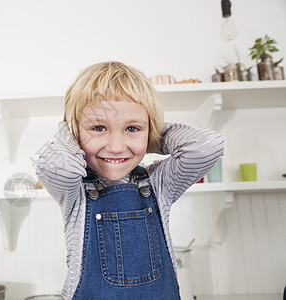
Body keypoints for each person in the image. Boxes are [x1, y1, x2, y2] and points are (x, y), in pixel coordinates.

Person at [36, 61, 224, 299]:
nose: (116, 147)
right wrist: (69, 130)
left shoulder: (158, 184)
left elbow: (208, 146)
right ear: (75, 133)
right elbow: (54, 167)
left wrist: (151, 134)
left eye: (132, 128)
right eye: (99, 127)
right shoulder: (75, 191)